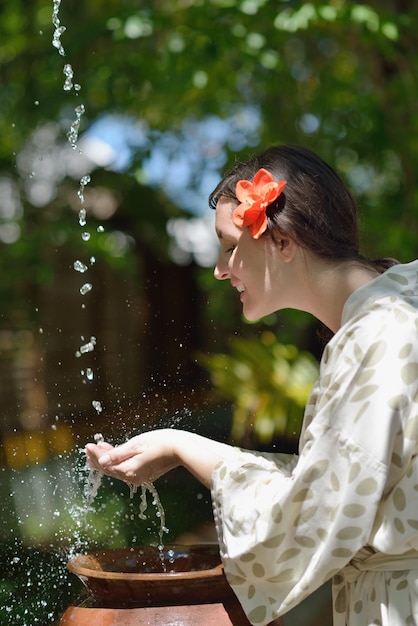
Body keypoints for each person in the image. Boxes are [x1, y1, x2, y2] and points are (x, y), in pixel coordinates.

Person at [86, 145, 418, 626]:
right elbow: (335, 481)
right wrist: (181, 444)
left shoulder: (373, 337)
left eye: (229, 247)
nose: (220, 270)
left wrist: (183, 446)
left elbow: (303, 527)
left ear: (283, 242)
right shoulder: (400, 302)